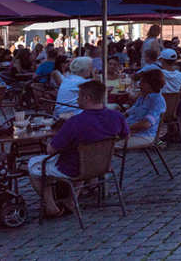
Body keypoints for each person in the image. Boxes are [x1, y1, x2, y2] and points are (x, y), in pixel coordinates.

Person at [27, 80, 129, 218]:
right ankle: (70, 201)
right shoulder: (116, 116)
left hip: (74, 168)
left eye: (79, 96)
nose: (77, 99)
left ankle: (52, 207)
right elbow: (126, 135)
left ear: (87, 98)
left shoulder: (75, 122)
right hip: (101, 165)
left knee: (35, 164)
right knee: (79, 156)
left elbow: (51, 151)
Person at [123, 69, 167, 148]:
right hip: (129, 132)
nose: (139, 84)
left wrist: (125, 127)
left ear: (151, 84)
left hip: (144, 136)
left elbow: (145, 124)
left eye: (143, 82)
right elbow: (127, 113)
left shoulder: (157, 101)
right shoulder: (142, 98)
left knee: (107, 146)